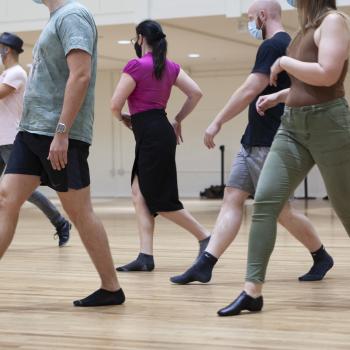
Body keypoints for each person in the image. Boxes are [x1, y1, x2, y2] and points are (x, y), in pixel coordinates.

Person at [170, 0, 333, 285]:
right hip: (252, 141)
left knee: (283, 212)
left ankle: (321, 255)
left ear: (262, 16)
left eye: (249, 18)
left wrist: (217, 120)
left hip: (271, 143)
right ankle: (205, 263)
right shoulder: (288, 44)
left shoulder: (274, 45)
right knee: (232, 199)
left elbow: (250, 89)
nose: (249, 24)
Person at [218, 0, 350, 316]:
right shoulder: (302, 31)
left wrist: (285, 63)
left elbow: (328, 74)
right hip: (291, 127)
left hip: (329, 125)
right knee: (264, 202)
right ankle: (252, 291)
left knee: (346, 207)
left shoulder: (334, 21)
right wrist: (279, 95)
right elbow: (305, 86)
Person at [0, 0, 125, 307]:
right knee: (5, 199)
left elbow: (80, 75)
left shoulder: (73, 15)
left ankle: (111, 288)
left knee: (80, 212)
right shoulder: (55, 18)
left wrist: (62, 131)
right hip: (31, 131)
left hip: (56, 133)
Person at [111, 20, 211, 272]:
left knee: (159, 199)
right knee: (139, 193)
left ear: (141, 38)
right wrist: (177, 119)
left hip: (150, 134)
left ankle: (205, 237)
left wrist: (123, 119)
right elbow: (196, 93)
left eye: (136, 38)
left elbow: (114, 105)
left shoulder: (135, 65)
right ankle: (146, 256)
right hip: (159, 130)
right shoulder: (171, 66)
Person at [0, 32, 71, 247]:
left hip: (12, 140)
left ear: (7, 49)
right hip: (0, 139)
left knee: (26, 191)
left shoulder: (16, 73)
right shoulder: (4, 74)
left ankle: (60, 223)